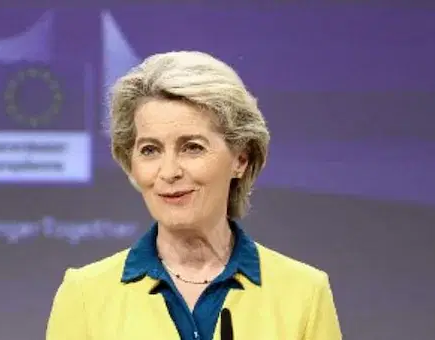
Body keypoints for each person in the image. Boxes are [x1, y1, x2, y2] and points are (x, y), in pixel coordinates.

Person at [46, 51, 342, 340]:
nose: (169, 171)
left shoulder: (304, 293)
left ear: (241, 158)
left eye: (192, 147)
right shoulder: (84, 295)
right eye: (150, 150)